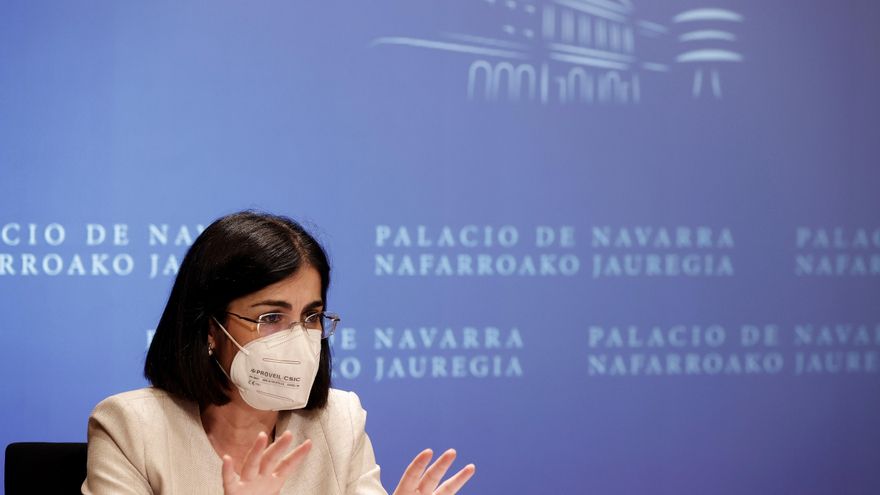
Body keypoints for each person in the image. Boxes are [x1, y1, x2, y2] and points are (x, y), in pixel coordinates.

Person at [82, 211, 475, 495]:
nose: (297, 338)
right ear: (210, 330)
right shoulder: (131, 428)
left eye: (311, 317)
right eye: (271, 317)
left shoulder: (339, 422)